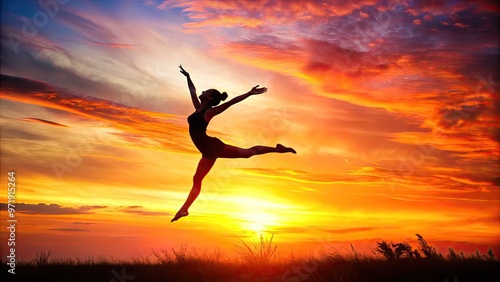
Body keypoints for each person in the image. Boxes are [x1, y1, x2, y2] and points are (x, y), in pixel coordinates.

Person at [171, 65, 296, 222]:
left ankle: (184, 209)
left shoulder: (208, 112)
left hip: (211, 147)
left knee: (245, 154)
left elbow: (231, 102)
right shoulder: (198, 109)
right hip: (207, 151)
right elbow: (193, 91)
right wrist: (188, 77)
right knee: (200, 177)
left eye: (206, 91)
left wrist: (249, 93)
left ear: (210, 98)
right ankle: (184, 210)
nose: (203, 92)